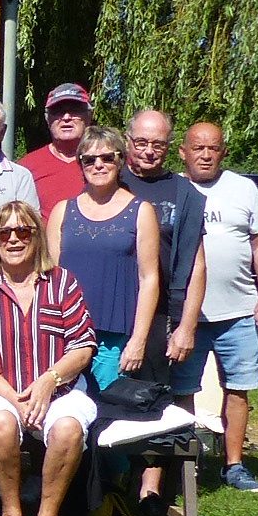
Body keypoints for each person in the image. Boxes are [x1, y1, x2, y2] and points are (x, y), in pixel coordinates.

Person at [0, 199, 96, 516]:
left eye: (24, 231)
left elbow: (83, 346)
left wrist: (49, 380)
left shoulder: (62, 282)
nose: (14, 239)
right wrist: (12, 396)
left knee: (68, 427)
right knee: (1, 423)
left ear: (37, 237)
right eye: (5, 233)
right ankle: (12, 514)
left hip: (59, 389)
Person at [180, 120, 258, 494]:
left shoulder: (243, 189)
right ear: (183, 152)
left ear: (223, 152)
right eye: (198, 148)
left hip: (238, 310)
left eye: (213, 148)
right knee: (182, 391)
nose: (206, 154)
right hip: (188, 314)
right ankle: (184, 465)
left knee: (237, 389)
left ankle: (234, 465)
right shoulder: (175, 190)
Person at [122, 107, 209, 516]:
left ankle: (150, 491)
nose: (148, 151)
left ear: (170, 148)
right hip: (108, 307)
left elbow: (197, 266)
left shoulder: (185, 194)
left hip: (161, 314)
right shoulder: (109, 177)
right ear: (127, 141)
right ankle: (104, 483)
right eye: (141, 142)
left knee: (154, 398)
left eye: (157, 144)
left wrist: (187, 326)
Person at [48, 125, 163, 408]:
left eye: (107, 157)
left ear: (120, 160)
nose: (98, 164)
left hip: (112, 338)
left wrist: (138, 339)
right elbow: (49, 277)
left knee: (107, 414)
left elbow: (149, 279)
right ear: (80, 164)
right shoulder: (63, 211)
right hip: (65, 335)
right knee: (64, 413)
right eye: (89, 159)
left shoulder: (141, 211)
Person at [17, 82, 95, 217]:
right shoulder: (26, 167)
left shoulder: (105, 162)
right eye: (58, 111)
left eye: (74, 110)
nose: (66, 118)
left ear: (88, 117)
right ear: (47, 119)